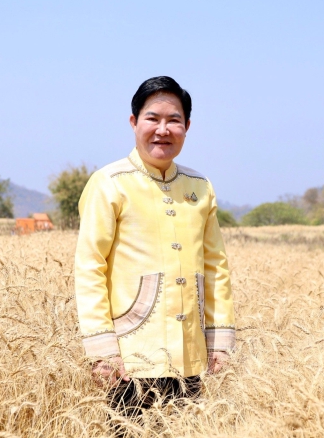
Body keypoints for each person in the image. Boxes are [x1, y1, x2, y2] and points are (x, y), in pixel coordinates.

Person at [74, 76, 236, 417]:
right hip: (130, 358)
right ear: (134, 122)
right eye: (152, 118)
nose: (163, 130)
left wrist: (219, 343)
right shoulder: (109, 184)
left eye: (174, 120)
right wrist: (102, 350)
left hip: (191, 357)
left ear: (187, 127)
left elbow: (215, 267)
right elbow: (90, 267)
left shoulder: (200, 187)